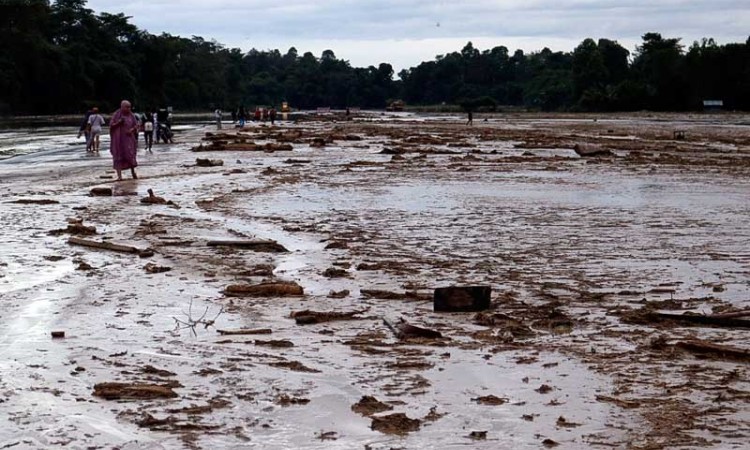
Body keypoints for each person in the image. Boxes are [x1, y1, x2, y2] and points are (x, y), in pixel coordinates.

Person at [109, 100, 139, 181]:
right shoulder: (116, 115)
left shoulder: (131, 115)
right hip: (118, 140)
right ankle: (119, 176)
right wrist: (119, 123)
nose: (128, 109)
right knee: (118, 156)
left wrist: (131, 130)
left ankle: (133, 173)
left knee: (130, 155)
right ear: (122, 107)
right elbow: (111, 125)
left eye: (129, 107)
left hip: (129, 139)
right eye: (127, 107)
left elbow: (136, 125)